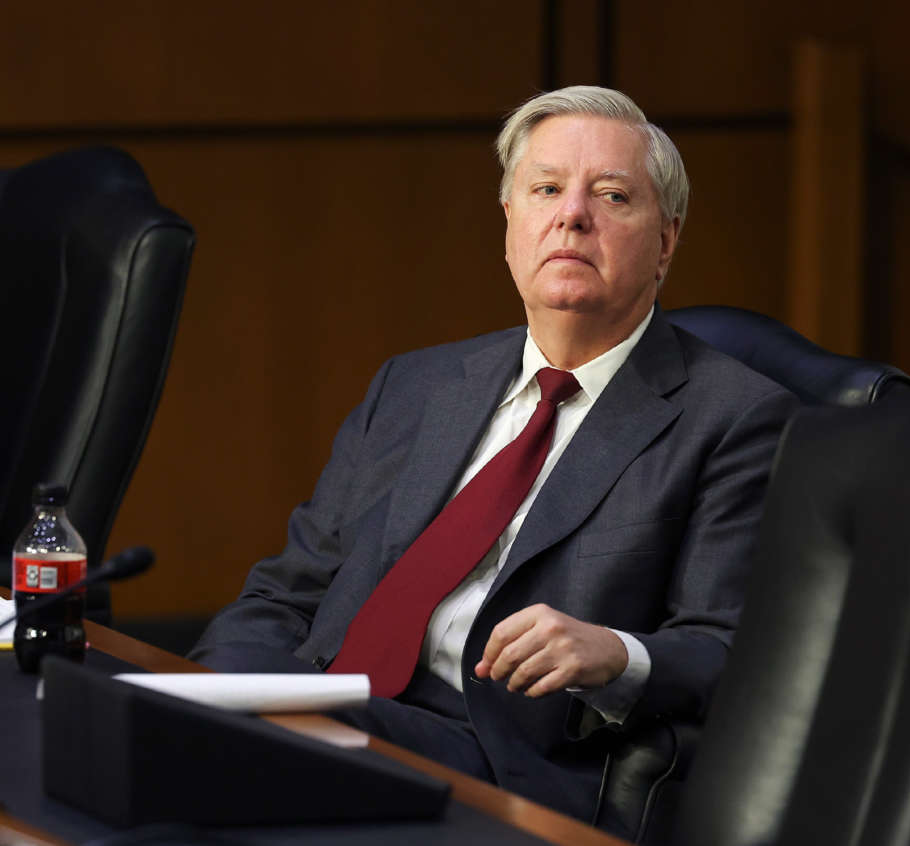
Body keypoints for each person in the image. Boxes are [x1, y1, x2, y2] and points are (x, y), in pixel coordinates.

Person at [190, 85, 799, 823]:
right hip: (321, 704)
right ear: (511, 223)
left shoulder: (736, 417)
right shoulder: (416, 384)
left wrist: (616, 651)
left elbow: (735, 651)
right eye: (546, 189)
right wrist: (217, 682)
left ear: (665, 240)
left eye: (611, 196)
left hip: (499, 756)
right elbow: (288, 591)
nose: (572, 215)